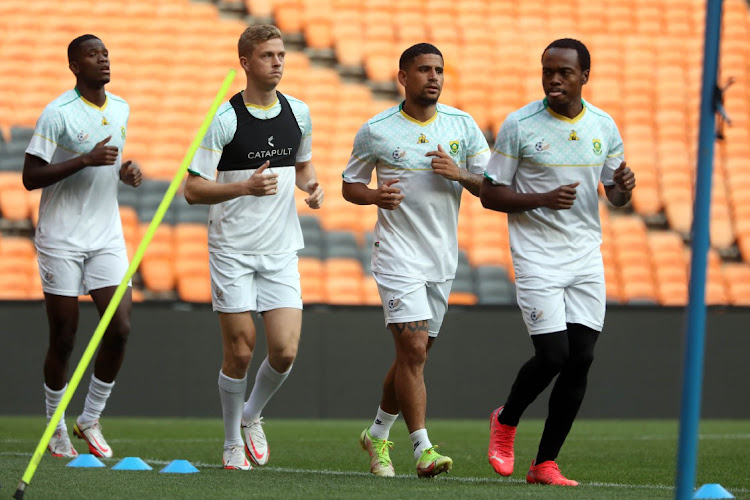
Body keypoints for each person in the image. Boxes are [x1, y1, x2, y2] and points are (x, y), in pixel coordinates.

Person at [480, 38, 636, 486]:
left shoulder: (603, 126)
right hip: (537, 256)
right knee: (552, 355)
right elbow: (490, 193)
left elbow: (618, 197)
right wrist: (544, 199)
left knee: (581, 357)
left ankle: (544, 464)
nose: (553, 79)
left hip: (585, 254)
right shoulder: (520, 125)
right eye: (547, 70)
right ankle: (506, 420)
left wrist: (624, 185)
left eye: (564, 72)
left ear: (584, 76)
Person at [342, 43, 490, 478]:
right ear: (402, 77)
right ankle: (423, 449)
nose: (434, 77)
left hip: (441, 258)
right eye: (424, 69)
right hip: (397, 256)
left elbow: (491, 186)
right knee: (411, 349)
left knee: (416, 356)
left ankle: (376, 434)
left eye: (439, 70)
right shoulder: (377, 130)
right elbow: (351, 184)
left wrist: (460, 173)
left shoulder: (462, 126)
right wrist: (374, 196)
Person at [184, 24, 324, 471]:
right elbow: (192, 189)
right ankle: (229, 442)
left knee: (284, 351)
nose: (278, 62)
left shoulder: (299, 112)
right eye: (268, 55)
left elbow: (302, 166)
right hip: (231, 249)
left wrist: (313, 186)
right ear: (245, 62)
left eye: (281, 54)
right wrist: (244, 186)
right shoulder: (224, 120)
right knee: (241, 352)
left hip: (280, 248)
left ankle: (251, 415)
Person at [22, 34, 142, 459]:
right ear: (75, 65)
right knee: (65, 337)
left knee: (121, 327)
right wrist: (84, 160)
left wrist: (126, 172)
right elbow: (31, 177)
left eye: (106, 52)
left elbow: (112, 165)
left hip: (106, 233)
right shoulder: (57, 113)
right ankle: (55, 425)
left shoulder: (122, 108)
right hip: (61, 237)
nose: (103, 59)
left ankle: (89, 418)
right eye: (93, 55)